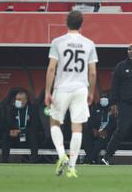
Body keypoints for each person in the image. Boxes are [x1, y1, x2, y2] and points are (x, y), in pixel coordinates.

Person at [45, 11, 98, 178]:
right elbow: (93, 72)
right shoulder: (89, 43)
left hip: (62, 87)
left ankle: (62, 155)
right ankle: (72, 168)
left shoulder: (57, 42)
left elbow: (52, 68)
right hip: (80, 88)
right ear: (81, 24)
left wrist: (47, 91)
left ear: (66, 23)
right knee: (77, 126)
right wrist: (91, 92)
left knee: (54, 122)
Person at [1, 91, 39, 163]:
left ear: (25, 100)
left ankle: (34, 160)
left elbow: (35, 127)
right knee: (6, 135)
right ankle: (4, 160)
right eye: (16, 99)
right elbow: (6, 125)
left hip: (27, 137)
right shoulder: (12, 109)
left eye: (19, 99)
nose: (16, 101)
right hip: (15, 137)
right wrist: (10, 131)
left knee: (33, 135)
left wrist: (21, 131)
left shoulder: (32, 109)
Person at [83, 93, 117, 164]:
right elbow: (91, 121)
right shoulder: (96, 108)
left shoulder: (112, 109)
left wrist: (105, 130)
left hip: (107, 133)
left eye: (105, 97)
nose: (103, 99)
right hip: (96, 132)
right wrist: (93, 129)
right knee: (86, 136)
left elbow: (114, 124)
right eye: (102, 97)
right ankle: (91, 159)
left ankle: (89, 160)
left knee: (101, 140)